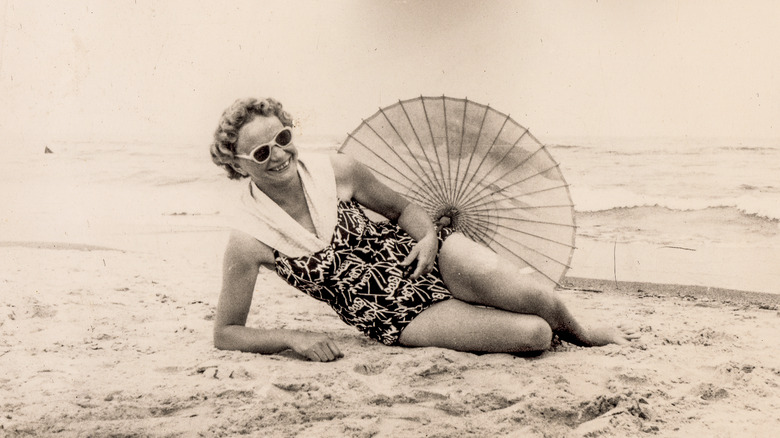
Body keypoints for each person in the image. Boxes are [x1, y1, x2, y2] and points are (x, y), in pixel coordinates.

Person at [210, 97, 638, 362]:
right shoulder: (249, 239)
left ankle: (583, 333)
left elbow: (403, 210)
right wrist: (293, 339)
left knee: (537, 298)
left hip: (432, 257)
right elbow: (226, 333)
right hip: (396, 314)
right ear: (237, 164)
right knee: (535, 334)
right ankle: (515, 320)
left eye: (283, 137)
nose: (280, 155)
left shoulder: (336, 170)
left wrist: (430, 237)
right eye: (262, 152)